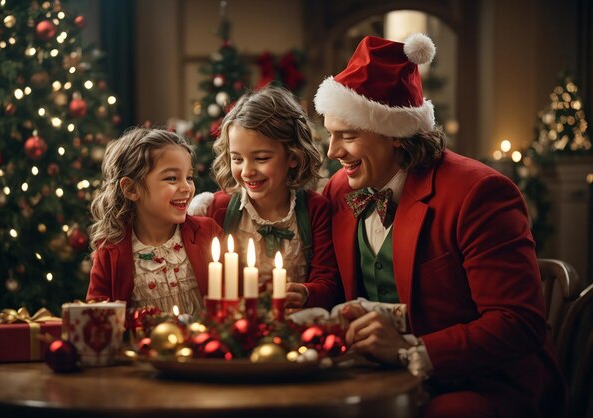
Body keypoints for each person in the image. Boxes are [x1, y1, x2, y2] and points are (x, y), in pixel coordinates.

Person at [315, 33, 565, 418]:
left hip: (481, 386)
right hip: (376, 380)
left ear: (394, 135)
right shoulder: (337, 191)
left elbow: (519, 322)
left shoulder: (479, 193)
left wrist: (410, 350)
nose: (332, 152)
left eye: (347, 136)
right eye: (330, 135)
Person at [189, 86, 339, 309]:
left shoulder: (314, 209)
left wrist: (307, 292)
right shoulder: (217, 209)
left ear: (293, 156)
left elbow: (329, 282)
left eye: (260, 158)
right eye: (237, 159)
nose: (247, 171)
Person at [86, 127, 222, 316]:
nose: (187, 187)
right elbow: (97, 321)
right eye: (172, 178)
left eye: (189, 177)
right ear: (132, 189)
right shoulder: (110, 252)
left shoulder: (208, 233)